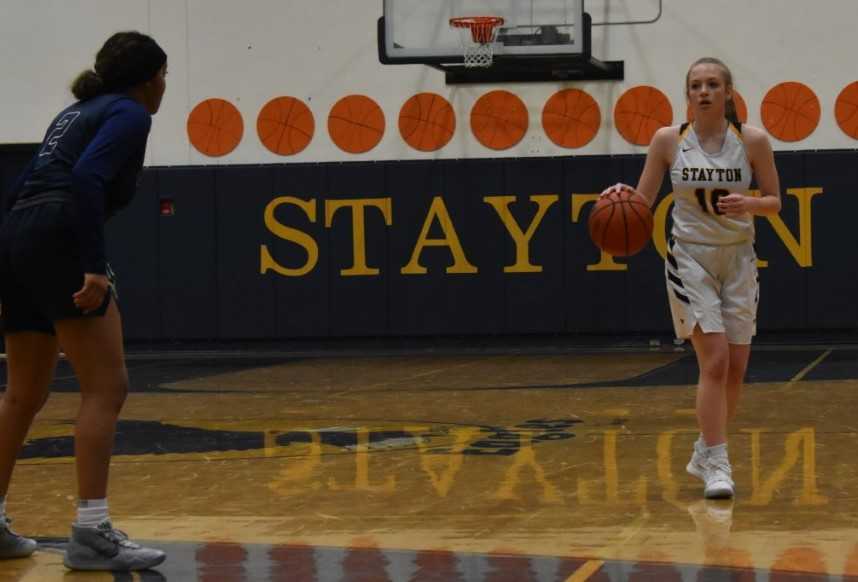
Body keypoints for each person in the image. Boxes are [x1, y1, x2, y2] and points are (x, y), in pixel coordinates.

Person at [0, 31, 168, 570]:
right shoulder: (130, 113)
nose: (165, 86)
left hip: (19, 234)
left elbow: (22, 186)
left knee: (22, 394)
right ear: (150, 79)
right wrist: (94, 265)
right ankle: (92, 533)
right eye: (165, 76)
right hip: (59, 235)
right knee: (106, 387)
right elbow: (87, 178)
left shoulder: (73, 113)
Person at [602, 57, 782, 498]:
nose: (704, 91)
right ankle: (718, 463)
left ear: (728, 93)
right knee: (715, 360)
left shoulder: (753, 140)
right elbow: (641, 203)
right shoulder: (667, 140)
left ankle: (705, 447)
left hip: (739, 259)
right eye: (696, 85)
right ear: (688, 95)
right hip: (690, 259)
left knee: (737, 369)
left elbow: (776, 200)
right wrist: (617, 197)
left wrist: (751, 204)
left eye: (713, 84)